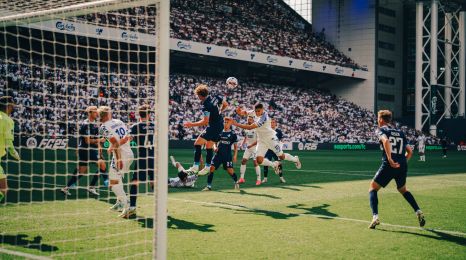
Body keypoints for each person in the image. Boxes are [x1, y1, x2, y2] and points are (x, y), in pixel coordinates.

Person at [368, 110, 425, 229]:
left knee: (372, 188)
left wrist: (390, 159)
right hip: (402, 165)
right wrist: (402, 163)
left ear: (381, 120)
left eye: (378, 118)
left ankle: (375, 217)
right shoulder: (400, 132)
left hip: (390, 164)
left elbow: (386, 141)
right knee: (403, 189)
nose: (377, 121)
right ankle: (418, 211)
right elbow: (410, 151)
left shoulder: (381, 130)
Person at [229, 103, 301, 174]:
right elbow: (244, 112)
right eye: (256, 111)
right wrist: (239, 112)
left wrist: (235, 124)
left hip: (271, 139)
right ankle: (275, 164)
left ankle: (295, 159)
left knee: (281, 156)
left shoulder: (264, 117)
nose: (257, 113)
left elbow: (250, 127)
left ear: (262, 110)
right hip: (261, 140)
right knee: (259, 160)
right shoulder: (253, 112)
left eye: (258, 111)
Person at [61, 106, 107, 196]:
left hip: (87, 149)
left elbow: (95, 138)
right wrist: (100, 141)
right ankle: (106, 181)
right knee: (102, 164)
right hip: (86, 149)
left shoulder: (94, 124)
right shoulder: (86, 124)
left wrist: (99, 146)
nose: (97, 113)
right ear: (89, 113)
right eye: (95, 112)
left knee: (82, 170)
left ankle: (66, 188)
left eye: (97, 112)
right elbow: (88, 141)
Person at [183, 84, 228, 175]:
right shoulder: (215, 97)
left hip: (213, 126)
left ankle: (195, 167)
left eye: (197, 95)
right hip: (219, 125)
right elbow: (226, 104)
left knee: (197, 143)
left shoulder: (206, 105)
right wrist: (220, 111)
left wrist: (191, 124)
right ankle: (207, 167)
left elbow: (205, 121)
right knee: (208, 146)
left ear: (200, 95)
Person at [98, 106, 134, 218]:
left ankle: (127, 205)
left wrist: (118, 158)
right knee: (117, 179)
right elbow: (129, 137)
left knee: (113, 183)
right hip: (129, 153)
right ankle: (119, 203)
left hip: (120, 156)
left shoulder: (103, 127)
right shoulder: (119, 121)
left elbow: (115, 143)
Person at [126, 104, 155, 218]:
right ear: (149, 114)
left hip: (142, 157)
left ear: (140, 114)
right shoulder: (154, 125)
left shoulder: (136, 126)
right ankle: (162, 208)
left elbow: (129, 138)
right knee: (154, 182)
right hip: (153, 158)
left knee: (135, 182)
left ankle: (132, 207)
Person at [201, 118, 239, 191]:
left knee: (230, 171)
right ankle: (208, 186)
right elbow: (214, 142)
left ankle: (236, 182)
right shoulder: (219, 132)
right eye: (225, 122)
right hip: (218, 155)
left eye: (227, 122)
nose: (225, 123)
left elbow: (235, 146)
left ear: (230, 123)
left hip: (227, 155)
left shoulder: (233, 134)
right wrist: (214, 147)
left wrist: (235, 155)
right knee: (211, 168)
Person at [0, 96, 20, 202]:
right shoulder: (8, 121)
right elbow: (8, 141)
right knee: (3, 189)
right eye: (13, 105)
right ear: (8, 106)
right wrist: (14, 153)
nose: (14, 107)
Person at [238, 116, 261, 186]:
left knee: (255, 163)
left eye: (250, 119)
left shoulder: (256, 128)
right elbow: (246, 137)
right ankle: (242, 178)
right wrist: (242, 144)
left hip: (255, 148)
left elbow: (259, 140)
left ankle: (259, 179)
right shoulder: (246, 128)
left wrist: (251, 145)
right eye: (248, 119)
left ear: (253, 120)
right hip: (248, 148)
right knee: (243, 161)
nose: (249, 120)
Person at [263, 118, 286, 183]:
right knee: (266, 163)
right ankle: (265, 178)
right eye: (271, 122)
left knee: (279, 164)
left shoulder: (278, 131)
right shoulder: (267, 131)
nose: (272, 123)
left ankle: (281, 178)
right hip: (268, 150)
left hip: (276, 150)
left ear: (275, 123)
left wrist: (281, 147)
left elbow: (281, 140)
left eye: (273, 122)